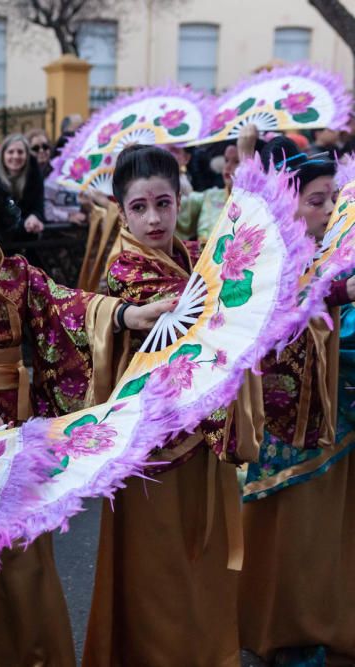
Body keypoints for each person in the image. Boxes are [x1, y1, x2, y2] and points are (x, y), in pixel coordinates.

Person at [0, 119, 172, 667]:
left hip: (20, 432)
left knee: (26, 565)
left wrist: (128, 312)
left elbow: (73, 308)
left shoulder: (21, 274)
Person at [83, 145, 262, 666]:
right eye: (139, 207)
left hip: (202, 434)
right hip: (155, 447)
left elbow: (239, 267)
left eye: (164, 202)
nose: (154, 217)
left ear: (180, 199)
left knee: (201, 563)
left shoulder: (190, 254)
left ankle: (206, 655)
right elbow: (211, 314)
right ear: (121, 210)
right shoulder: (126, 271)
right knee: (157, 571)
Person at [238, 136, 355, 665]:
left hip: (322, 417)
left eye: (332, 199)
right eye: (316, 200)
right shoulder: (263, 259)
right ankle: (281, 635)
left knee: (313, 541)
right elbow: (287, 311)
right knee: (281, 541)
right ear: (288, 202)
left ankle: (308, 628)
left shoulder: (318, 253)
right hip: (279, 427)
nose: (329, 209)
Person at [178, 124, 259, 244]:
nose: (227, 167)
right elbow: (175, 207)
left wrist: (246, 156)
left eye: (237, 161)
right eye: (226, 160)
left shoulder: (259, 204)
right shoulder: (210, 196)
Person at [0, 133, 45, 234]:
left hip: (27, 238)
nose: (16, 156)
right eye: (11, 152)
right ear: (3, 155)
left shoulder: (34, 174)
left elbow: (38, 205)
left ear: (27, 155)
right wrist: (23, 223)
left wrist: (34, 217)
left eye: (20, 152)